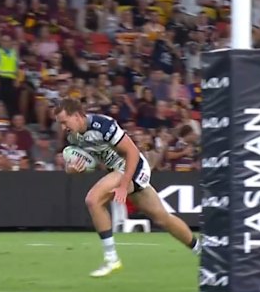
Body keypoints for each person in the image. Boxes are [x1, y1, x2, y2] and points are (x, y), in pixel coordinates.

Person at [54, 98, 200, 277]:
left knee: (93, 200)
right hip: (119, 172)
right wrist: (73, 169)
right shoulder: (74, 137)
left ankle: (111, 259)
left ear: (77, 116)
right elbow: (80, 165)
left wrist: (123, 185)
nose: (63, 128)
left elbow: (132, 152)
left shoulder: (103, 125)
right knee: (163, 218)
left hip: (133, 167)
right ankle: (201, 251)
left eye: (64, 122)